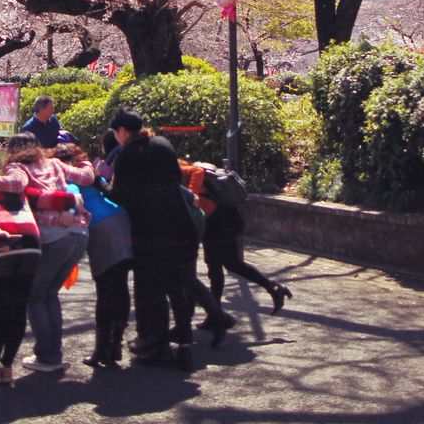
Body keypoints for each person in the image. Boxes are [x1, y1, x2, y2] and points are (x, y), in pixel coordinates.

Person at [0, 150, 80, 385]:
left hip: (0, 248)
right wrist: (72, 201)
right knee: (16, 309)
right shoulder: (15, 186)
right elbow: (43, 197)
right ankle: (6, 366)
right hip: (31, 245)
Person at [0, 132, 92, 372]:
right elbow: (86, 177)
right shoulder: (54, 163)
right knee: (49, 294)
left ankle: (48, 356)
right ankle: (52, 354)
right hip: (79, 234)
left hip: (52, 237)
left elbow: (16, 184)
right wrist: (85, 160)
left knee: (35, 296)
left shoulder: (18, 167)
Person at [109, 108, 198, 370]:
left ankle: (153, 343)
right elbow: (174, 179)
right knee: (178, 286)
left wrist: (100, 187)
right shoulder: (163, 145)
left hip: (148, 232)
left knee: (149, 290)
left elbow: (120, 195)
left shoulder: (127, 155)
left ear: (123, 131)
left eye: (116, 133)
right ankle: (184, 343)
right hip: (180, 224)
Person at [55, 141, 133, 368]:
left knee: (106, 290)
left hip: (101, 227)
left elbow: (73, 196)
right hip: (120, 219)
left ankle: (102, 350)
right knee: (119, 287)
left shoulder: (69, 178)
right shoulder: (88, 173)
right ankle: (115, 344)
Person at [200, 165, 292, 315]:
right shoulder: (195, 171)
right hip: (225, 220)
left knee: (224, 265)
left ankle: (215, 314)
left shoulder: (186, 176)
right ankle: (215, 314)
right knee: (222, 265)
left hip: (219, 224)